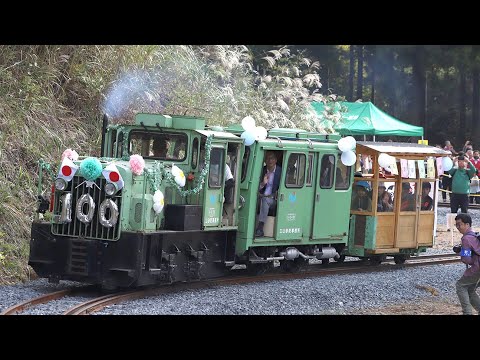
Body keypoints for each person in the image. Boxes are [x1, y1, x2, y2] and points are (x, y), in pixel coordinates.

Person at [454, 213, 480, 315]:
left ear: (467, 225)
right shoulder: (475, 235)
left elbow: (466, 259)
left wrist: (461, 253)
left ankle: (467, 312)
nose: (458, 227)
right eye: (456, 225)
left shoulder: (466, 239)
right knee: (470, 289)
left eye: (460, 224)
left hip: (477, 268)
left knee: (460, 286)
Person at [255, 151, 281, 237]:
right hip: (261, 197)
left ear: (276, 160)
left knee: (265, 200)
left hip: (274, 199)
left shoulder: (280, 171)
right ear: (265, 160)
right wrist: (263, 183)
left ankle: (260, 227)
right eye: (268, 158)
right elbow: (255, 188)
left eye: (272, 158)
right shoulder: (262, 170)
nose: (270, 160)